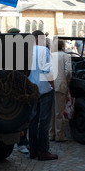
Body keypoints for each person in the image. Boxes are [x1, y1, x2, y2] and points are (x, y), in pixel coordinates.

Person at [28, 30, 57, 161]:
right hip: (44, 89)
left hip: (32, 89)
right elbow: (48, 71)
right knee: (44, 121)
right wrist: (53, 86)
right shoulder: (43, 50)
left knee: (33, 121)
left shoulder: (27, 50)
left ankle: (33, 150)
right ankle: (43, 151)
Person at [50, 39, 72, 142]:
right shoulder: (65, 56)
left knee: (51, 112)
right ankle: (59, 135)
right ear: (62, 46)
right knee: (59, 112)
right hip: (61, 85)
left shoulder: (50, 56)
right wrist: (67, 81)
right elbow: (68, 71)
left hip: (51, 85)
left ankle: (51, 134)